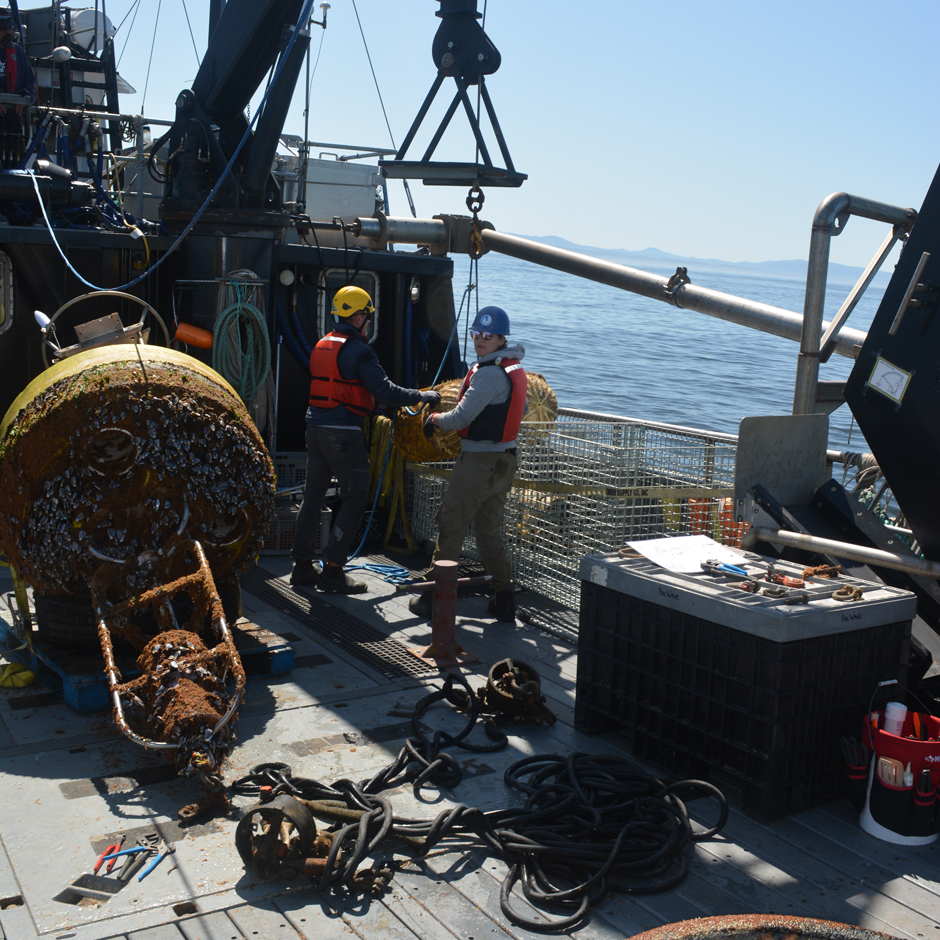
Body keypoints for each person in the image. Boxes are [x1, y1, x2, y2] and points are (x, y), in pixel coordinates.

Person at [291, 285, 441, 593]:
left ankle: (302, 566)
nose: (368, 322)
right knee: (356, 496)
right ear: (358, 317)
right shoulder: (360, 351)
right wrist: (422, 396)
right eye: (367, 316)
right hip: (343, 433)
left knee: (313, 497)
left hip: (315, 430)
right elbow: (386, 391)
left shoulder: (322, 344)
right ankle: (333, 571)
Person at [410, 305, 526, 623]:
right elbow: (521, 407)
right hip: (506, 459)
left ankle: (433, 595)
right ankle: (504, 597)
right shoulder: (513, 368)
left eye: (487, 336)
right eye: (476, 334)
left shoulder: (489, 374)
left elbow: (461, 417)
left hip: (479, 462)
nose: (480, 340)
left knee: (451, 524)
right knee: (489, 531)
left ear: (502, 338)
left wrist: (433, 417)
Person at [0, 11, 36, 168]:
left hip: (11, 129)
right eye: (3, 28)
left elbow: (30, 84)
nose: (8, 32)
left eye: (10, 28)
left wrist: (24, 97)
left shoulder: (18, 53)